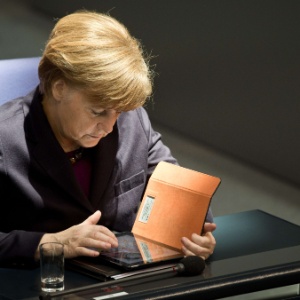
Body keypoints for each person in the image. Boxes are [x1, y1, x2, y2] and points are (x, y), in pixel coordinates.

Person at [0, 10, 216, 267]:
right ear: (59, 87)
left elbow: (181, 198)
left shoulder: (130, 120)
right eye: (98, 111)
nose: (109, 126)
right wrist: (51, 243)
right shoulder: (5, 139)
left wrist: (194, 236)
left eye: (119, 111)